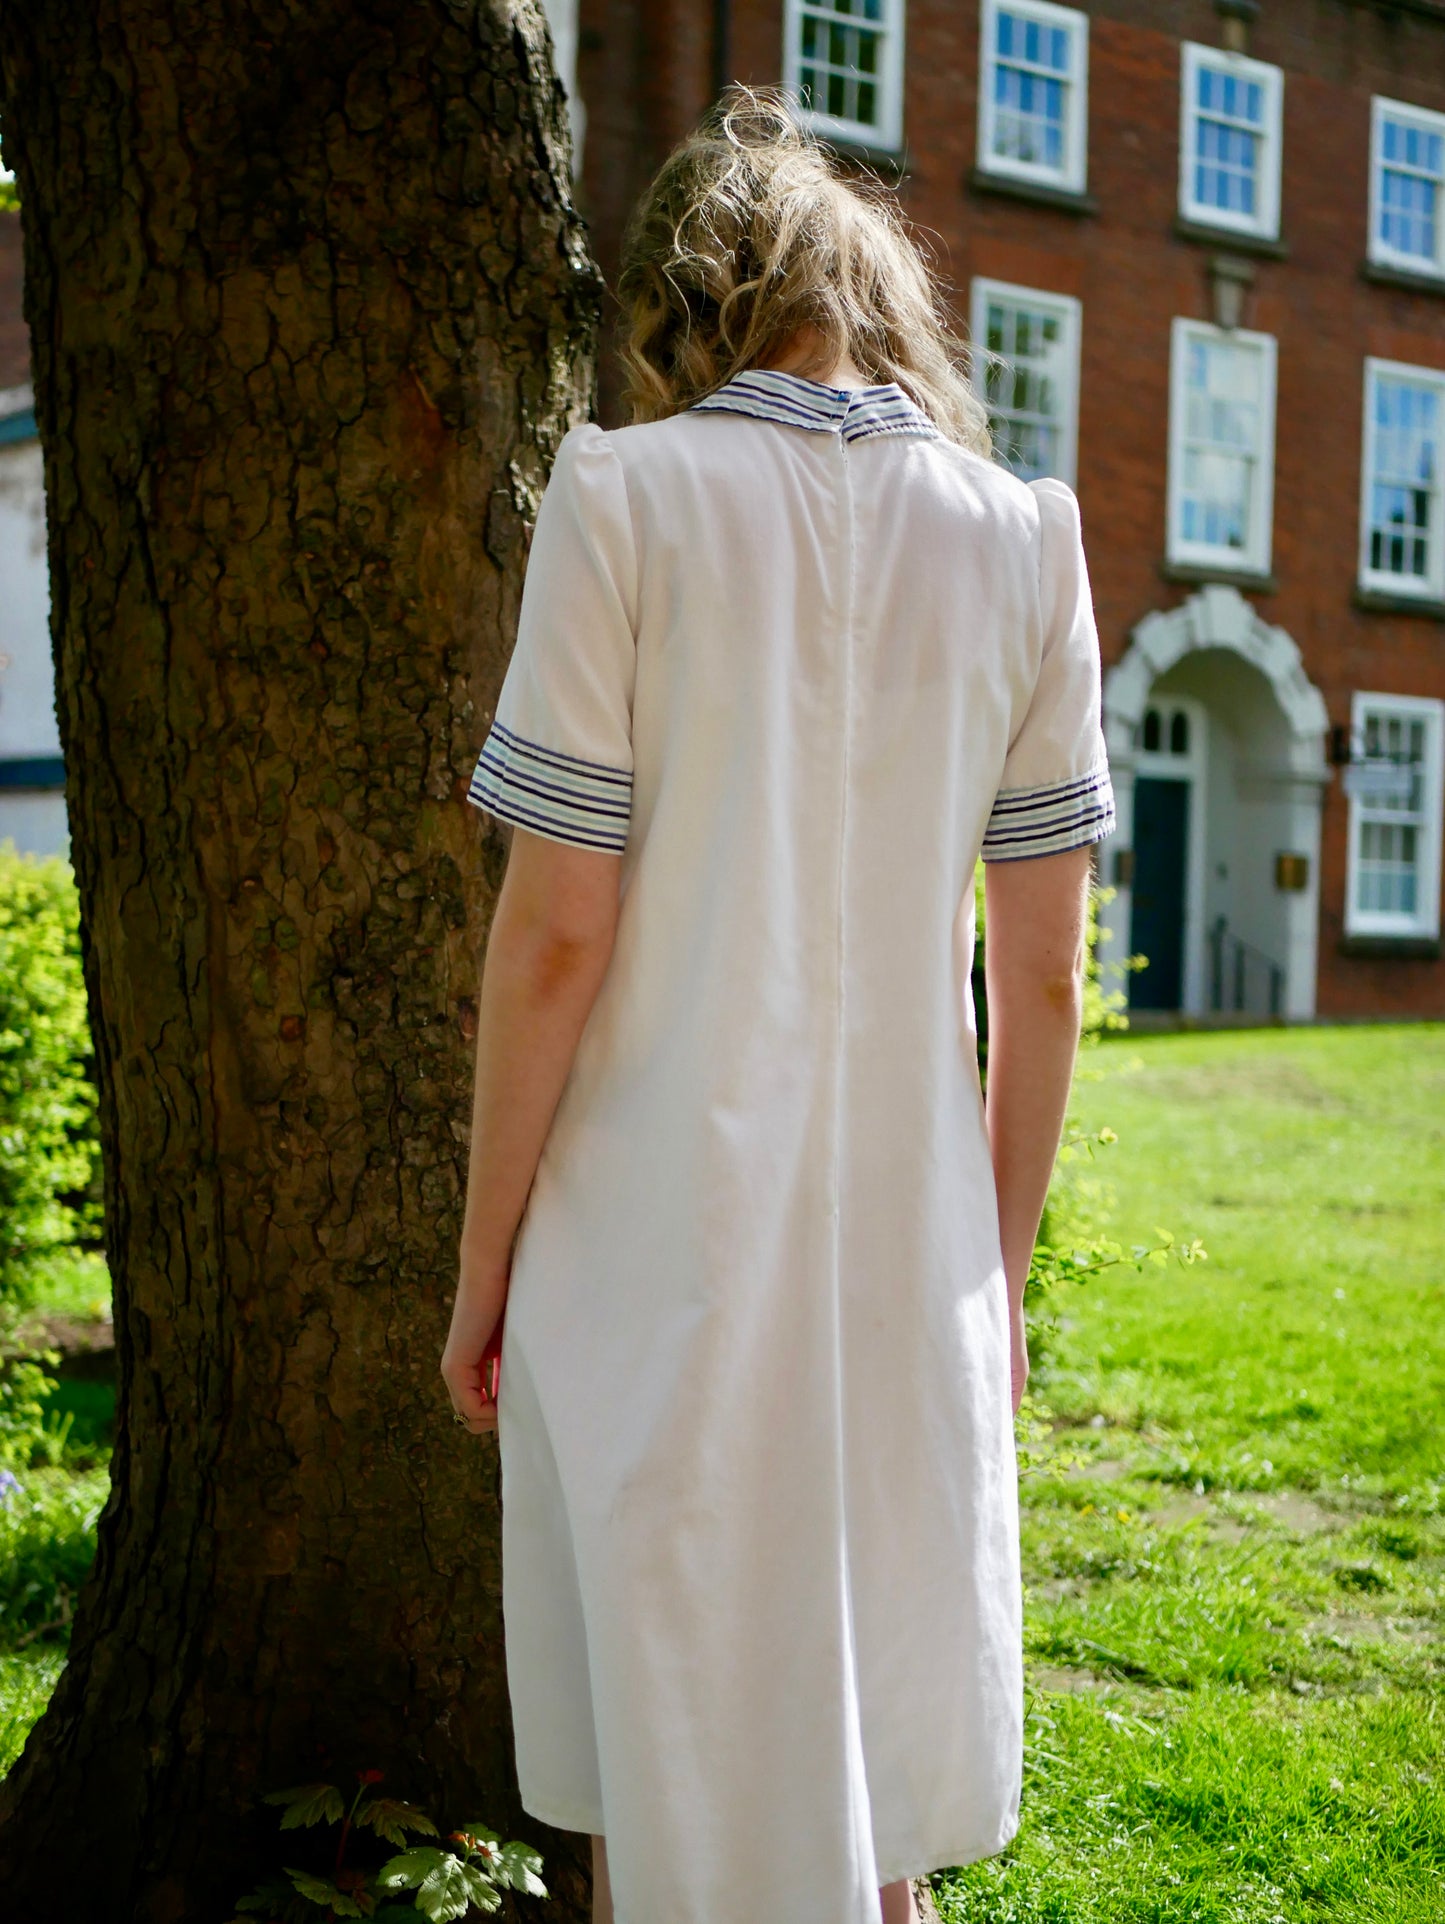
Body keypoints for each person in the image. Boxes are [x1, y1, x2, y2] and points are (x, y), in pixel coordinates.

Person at [441, 86, 1115, 1924]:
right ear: (876, 298)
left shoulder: (623, 498)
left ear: (689, 305)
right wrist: (990, 1275)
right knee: (866, 1787)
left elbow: (554, 937)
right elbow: (1042, 972)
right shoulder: (1021, 538)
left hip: (649, 1245)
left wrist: (482, 1266)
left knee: (658, 1769)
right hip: (906, 1261)